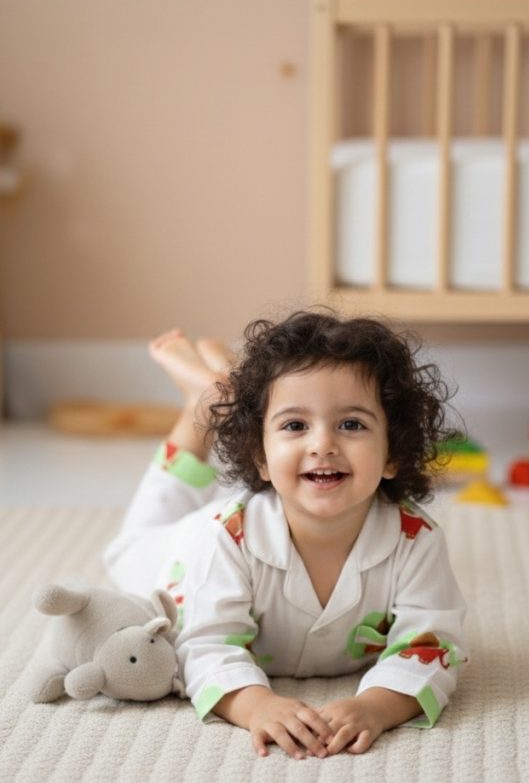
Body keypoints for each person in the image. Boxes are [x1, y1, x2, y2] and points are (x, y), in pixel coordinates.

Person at [104, 310, 468, 759]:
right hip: (165, 550)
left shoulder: (417, 540)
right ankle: (204, 401)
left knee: (230, 477)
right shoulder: (222, 539)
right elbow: (204, 644)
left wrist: (376, 706)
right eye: (295, 425)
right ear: (260, 457)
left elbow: (432, 645)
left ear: (393, 453)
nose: (323, 445)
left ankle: (223, 395)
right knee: (154, 511)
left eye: (351, 424)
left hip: (258, 500)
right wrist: (256, 704)